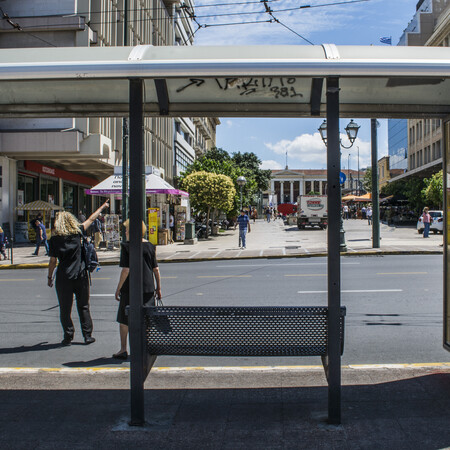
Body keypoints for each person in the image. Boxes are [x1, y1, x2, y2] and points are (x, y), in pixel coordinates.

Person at [47, 199, 109, 346]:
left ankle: (68, 336)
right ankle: (87, 335)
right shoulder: (79, 232)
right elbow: (92, 218)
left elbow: (52, 261)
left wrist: (50, 277)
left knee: (65, 309)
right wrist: (102, 206)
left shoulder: (55, 240)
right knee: (84, 306)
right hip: (80, 275)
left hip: (63, 277)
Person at [113, 219, 162, 359]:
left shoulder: (127, 246)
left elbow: (126, 270)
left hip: (130, 288)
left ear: (132, 231)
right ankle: (144, 348)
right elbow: (156, 269)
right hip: (148, 288)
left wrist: (118, 288)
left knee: (124, 319)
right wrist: (158, 288)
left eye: (127, 229)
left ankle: (123, 349)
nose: (126, 232)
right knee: (145, 319)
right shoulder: (150, 246)